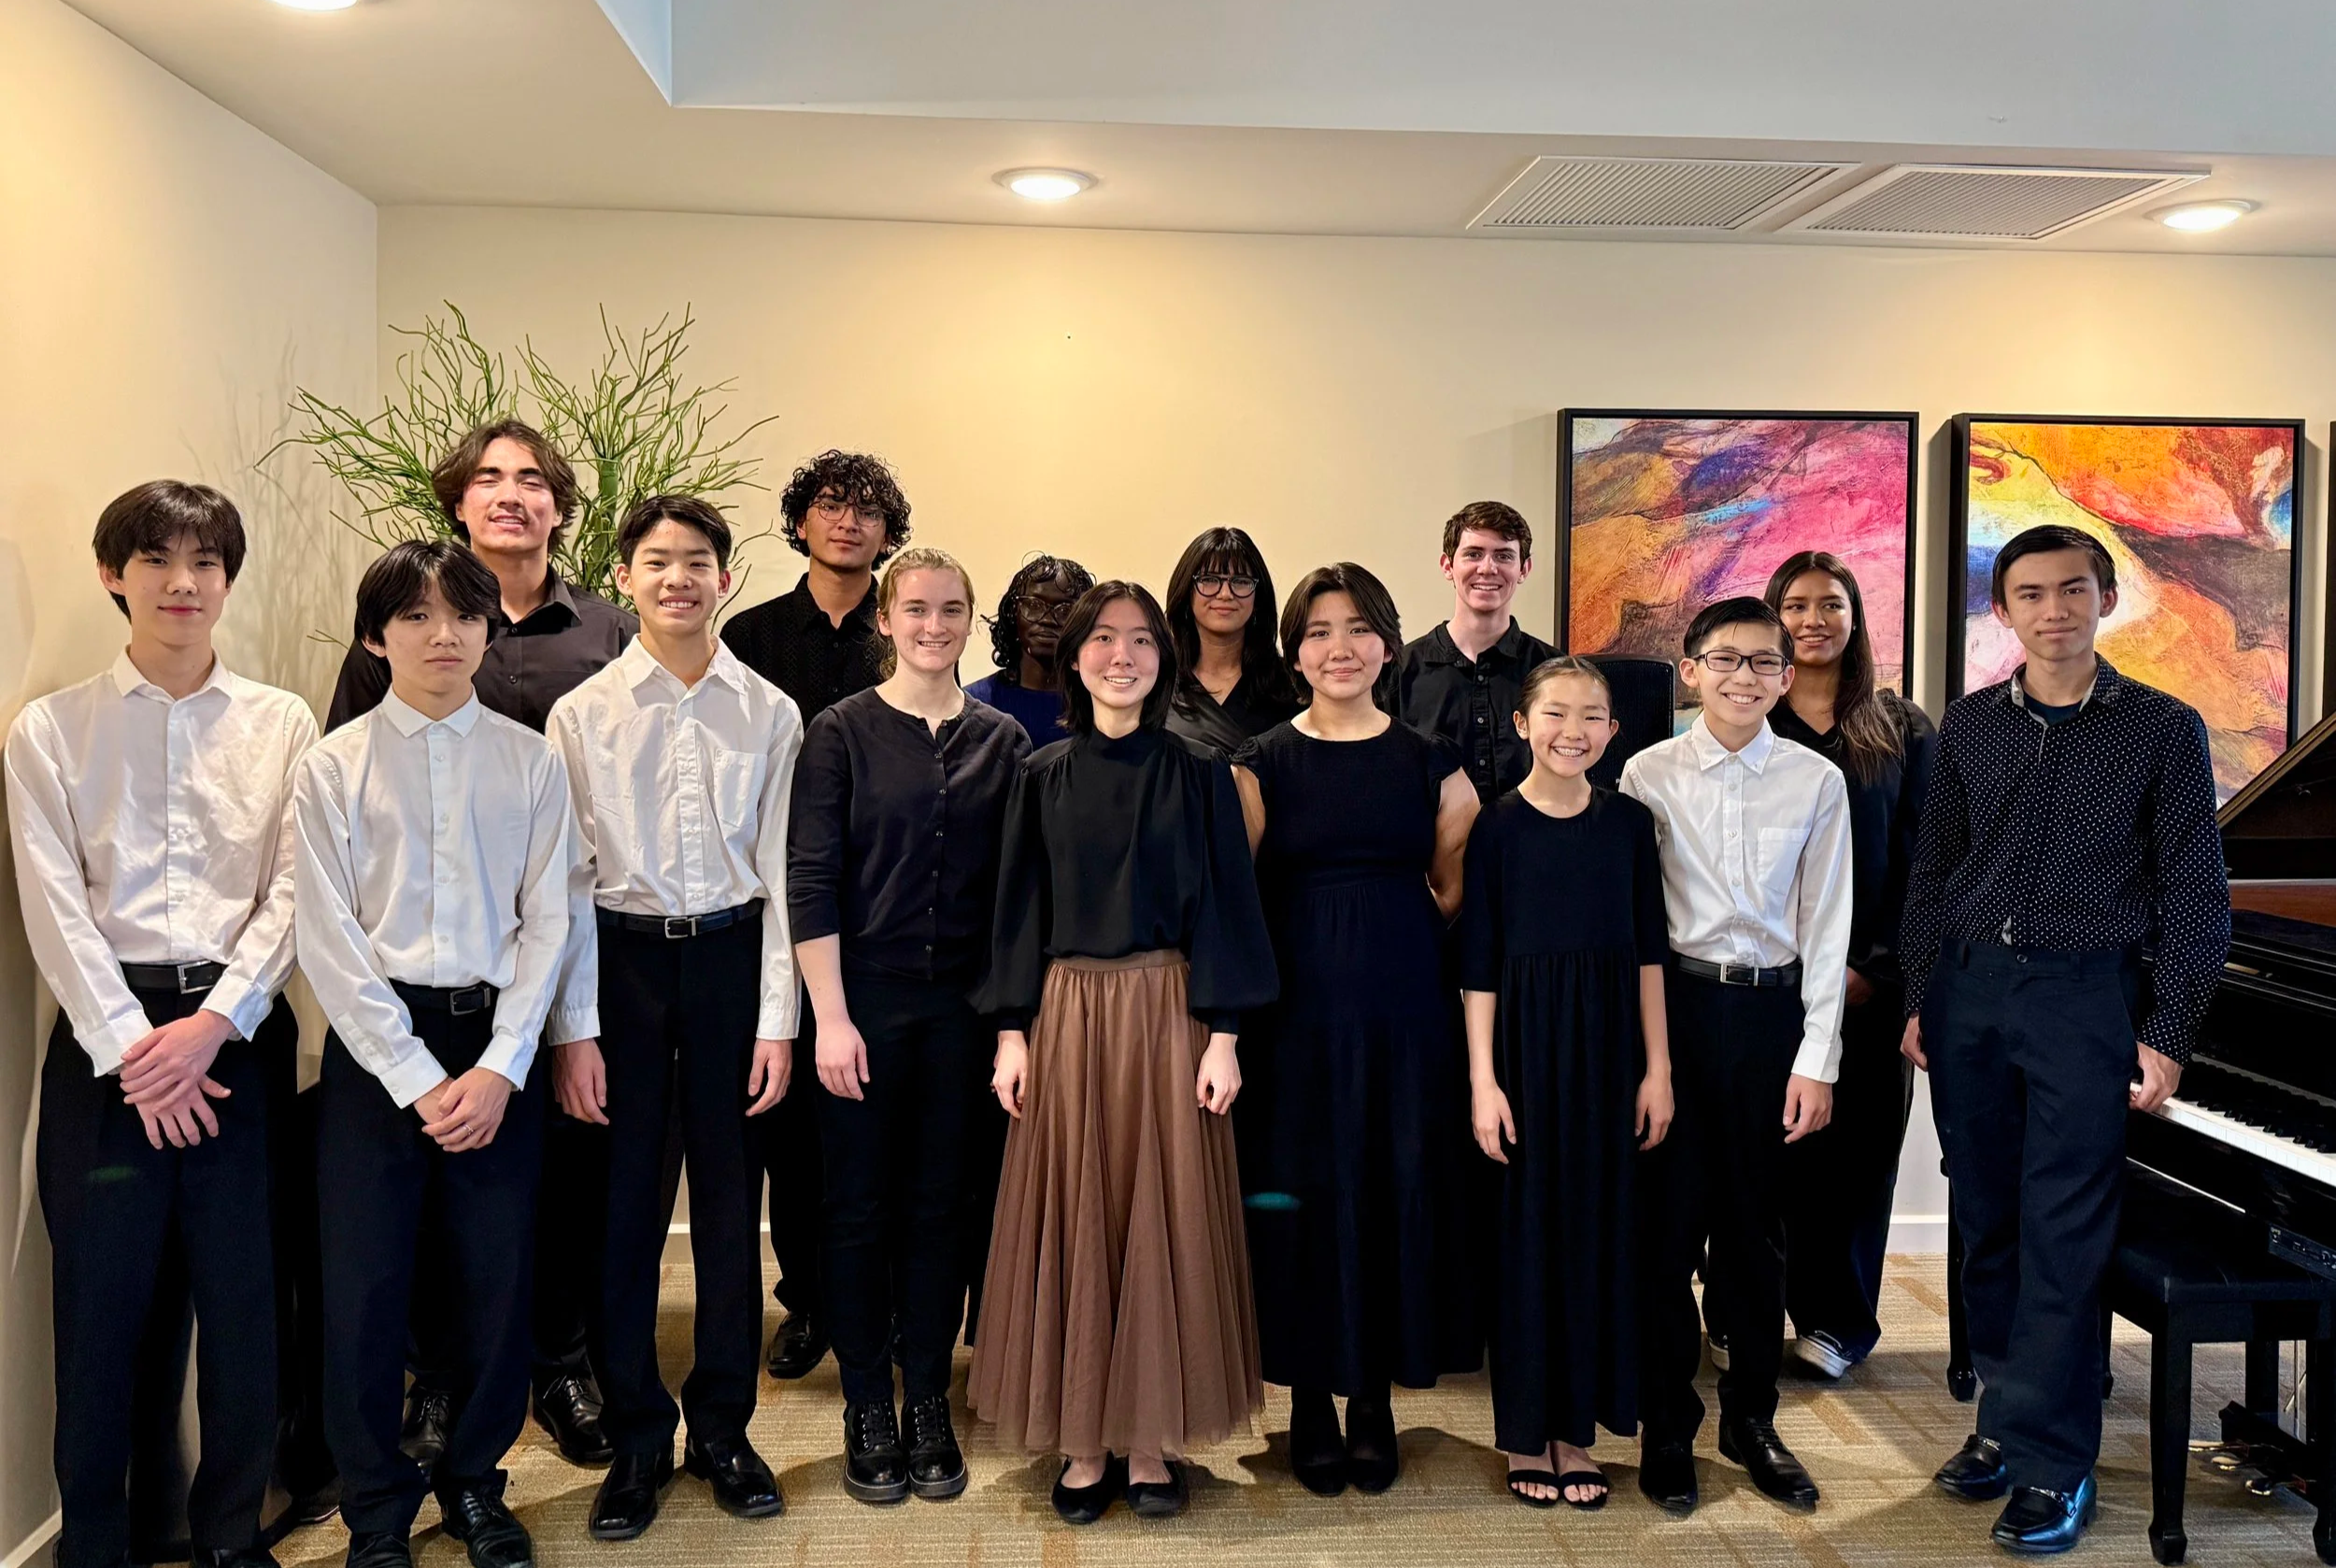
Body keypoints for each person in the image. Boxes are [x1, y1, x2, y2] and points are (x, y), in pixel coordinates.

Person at [1902, 524, 2228, 1554]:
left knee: (2062, 1230)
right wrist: (1921, 997)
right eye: (2031, 593)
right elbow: (1930, 876)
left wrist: (2166, 1031)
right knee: (1988, 1221)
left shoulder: (2163, 729)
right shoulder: (1965, 727)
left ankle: (2055, 1466)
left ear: (2104, 599)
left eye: (2072, 590)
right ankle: (2005, 1422)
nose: (2053, 610)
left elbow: (2196, 895)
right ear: (2003, 611)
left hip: (2088, 1001)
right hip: (1971, 995)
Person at [7, 482, 314, 1568]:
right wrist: (137, 1047)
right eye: (157, 560)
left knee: (244, 1302)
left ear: (227, 580)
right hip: (110, 1049)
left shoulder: (282, 722)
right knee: (99, 1313)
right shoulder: (50, 730)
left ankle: (233, 1536)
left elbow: (295, 891)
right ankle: (96, 1543)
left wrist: (213, 1025)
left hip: (237, 1037)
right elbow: (52, 900)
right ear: (113, 575)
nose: (183, 583)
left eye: (206, 563)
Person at [325, 419, 634, 1472]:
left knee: (540, 1212)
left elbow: (576, 872)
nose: (514, 494)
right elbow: (336, 855)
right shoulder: (392, 649)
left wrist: (546, 1035)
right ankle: (427, 1404)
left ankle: (553, 1373)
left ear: (560, 506)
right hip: (407, 993)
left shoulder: (605, 629)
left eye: (535, 480)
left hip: (547, 976)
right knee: (398, 1242)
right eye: (491, 479)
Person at [968, 581, 1275, 1524]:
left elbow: (1230, 906)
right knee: (1076, 1212)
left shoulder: (1201, 775)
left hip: (1168, 1013)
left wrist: (1223, 1035)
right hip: (1066, 1013)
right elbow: (1016, 909)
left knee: (1161, 1215)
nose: (1121, 655)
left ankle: (1150, 1440)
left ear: (1163, 659)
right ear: (1074, 657)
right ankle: (1082, 1439)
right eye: (1103, 638)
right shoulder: (1040, 771)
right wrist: (1010, 1032)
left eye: (1141, 640)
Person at [294, 540, 576, 1568]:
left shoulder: (532, 757)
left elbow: (551, 917)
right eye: (414, 617)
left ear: (488, 624)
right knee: (364, 1289)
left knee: (495, 1284)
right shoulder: (331, 765)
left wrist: (503, 1063)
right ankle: (376, 1511)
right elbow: (327, 937)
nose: (443, 633)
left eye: (463, 612)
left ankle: (472, 1482)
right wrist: (416, 1076)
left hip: (496, 1042)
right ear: (377, 637)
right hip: (378, 1057)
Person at [545, 496, 802, 1540]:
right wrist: (574, 1029)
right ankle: (640, 1436)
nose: (678, 579)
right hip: (623, 965)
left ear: (724, 578)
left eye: (697, 561)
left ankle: (725, 1428)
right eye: (657, 563)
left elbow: (787, 876)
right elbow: (562, 880)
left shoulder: (770, 711)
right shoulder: (583, 713)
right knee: (625, 1216)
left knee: (734, 1209)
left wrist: (779, 1020)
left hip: (736, 960)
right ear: (627, 579)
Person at [1229, 563, 1479, 1497]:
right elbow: (1239, 896)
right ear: (1294, 651)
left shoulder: (1430, 759)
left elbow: (1451, 888)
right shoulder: (1256, 763)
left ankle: (1371, 1398)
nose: (1340, 646)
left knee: (1390, 1187)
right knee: (1299, 1195)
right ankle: (1305, 1401)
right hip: (1292, 1018)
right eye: (1319, 629)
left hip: (1405, 1013)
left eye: (1359, 627)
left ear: (1385, 641)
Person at [788, 548, 1030, 1506]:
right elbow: (809, 878)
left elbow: (1019, 898)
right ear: (885, 619)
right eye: (917, 609)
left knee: (943, 1207)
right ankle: (864, 1403)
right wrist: (831, 1018)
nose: (934, 625)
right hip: (864, 1005)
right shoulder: (839, 732)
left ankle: (925, 1394)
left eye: (952, 610)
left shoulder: (1004, 740)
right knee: (856, 1208)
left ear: (971, 621)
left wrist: (1011, 1025)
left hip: (964, 1011)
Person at [1618, 596, 1851, 1518]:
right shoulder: (1646, 772)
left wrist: (1818, 1057)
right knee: (1665, 1234)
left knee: (1756, 1240)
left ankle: (1750, 1419)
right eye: (1726, 660)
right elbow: (1634, 923)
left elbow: (1827, 924)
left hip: (1771, 1018)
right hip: (1673, 1011)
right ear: (1691, 668)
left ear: (1785, 677)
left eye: (1763, 662)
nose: (1743, 677)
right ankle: (1665, 1426)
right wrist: (1642, 1056)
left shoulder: (1814, 780)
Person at [1462, 657, 1673, 1511]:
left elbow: (1651, 952)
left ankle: (1577, 1432)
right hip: (1522, 1052)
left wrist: (1658, 1069)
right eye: (1554, 713)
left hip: (1612, 1051)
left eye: (1591, 716)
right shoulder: (1497, 828)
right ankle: (1525, 1434)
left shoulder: (1629, 824)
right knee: (1526, 1241)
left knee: (1600, 1235)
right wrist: (1483, 1081)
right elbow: (1477, 964)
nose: (1572, 730)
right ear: (1522, 723)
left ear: (1614, 731)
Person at [721, 449, 909, 1383]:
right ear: (800, 522)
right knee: (792, 1122)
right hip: (784, 900)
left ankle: (879, 1298)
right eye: (831, 506)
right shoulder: (749, 637)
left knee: (877, 1112)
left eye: (868, 510)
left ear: (889, 532)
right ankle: (808, 1300)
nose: (848, 523)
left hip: (888, 902)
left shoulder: (903, 634)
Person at [1759, 552, 1935, 1380]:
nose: (1813, 620)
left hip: (1870, 987)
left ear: (1857, 618)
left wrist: (1880, 969)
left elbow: (1929, 863)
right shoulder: (1750, 722)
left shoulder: (1898, 729)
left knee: (1858, 1160)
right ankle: (1760, 1308)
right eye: (1795, 606)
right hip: (1769, 984)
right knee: (1774, 1156)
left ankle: (1840, 1323)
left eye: (1831, 605)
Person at [1393, 500, 1555, 802]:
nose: (1488, 568)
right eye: (1473, 554)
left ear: (1524, 568)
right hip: (1429, 848)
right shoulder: (1399, 671)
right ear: (1447, 566)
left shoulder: (1555, 670)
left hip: (1530, 846)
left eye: (1504, 556)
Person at [1162, 526, 1302, 754]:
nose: (1225, 593)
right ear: (1187, 592)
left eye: (1240, 581)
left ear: (1258, 598)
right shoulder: (1160, 680)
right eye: (1209, 579)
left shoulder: (1290, 685)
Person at [964, 555, 1094, 742]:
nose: (1047, 619)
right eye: (1034, 605)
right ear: (1013, 612)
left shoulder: (1101, 707)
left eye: (1065, 610)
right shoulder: (973, 704)